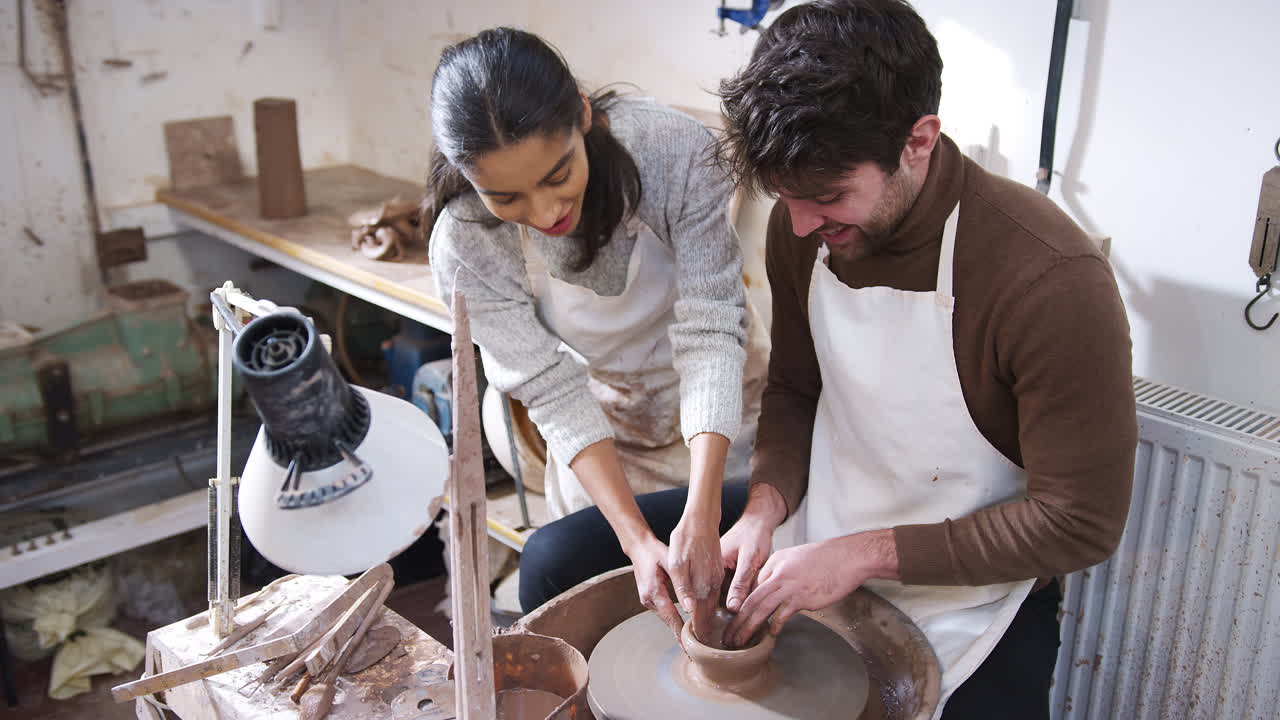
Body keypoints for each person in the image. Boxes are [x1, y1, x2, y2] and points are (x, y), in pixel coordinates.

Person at [711, 1, 1137, 718]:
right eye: (786, 198)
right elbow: (793, 390)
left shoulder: (1050, 279)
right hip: (816, 530)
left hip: (973, 588)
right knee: (567, 556)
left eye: (827, 197)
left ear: (918, 141)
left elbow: (1080, 522)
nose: (802, 224)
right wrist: (764, 506)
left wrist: (860, 554)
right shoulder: (805, 226)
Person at [425, 28, 769, 642]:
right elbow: (551, 389)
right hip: (606, 428)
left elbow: (711, 329)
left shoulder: (671, 153)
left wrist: (705, 504)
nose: (544, 212)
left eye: (558, 174)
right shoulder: (465, 241)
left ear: (582, 113)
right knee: (603, 599)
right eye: (506, 196)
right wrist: (634, 537)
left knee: (739, 601)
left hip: (724, 415)